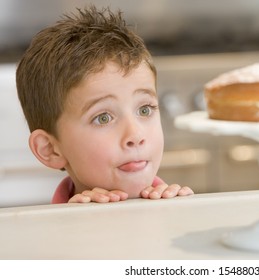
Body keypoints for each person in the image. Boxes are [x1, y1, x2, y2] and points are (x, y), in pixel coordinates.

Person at [15, 5, 194, 203]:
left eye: (144, 110)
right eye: (103, 118)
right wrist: (72, 228)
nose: (135, 135)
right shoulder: (56, 230)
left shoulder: (173, 203)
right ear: (50, 149)